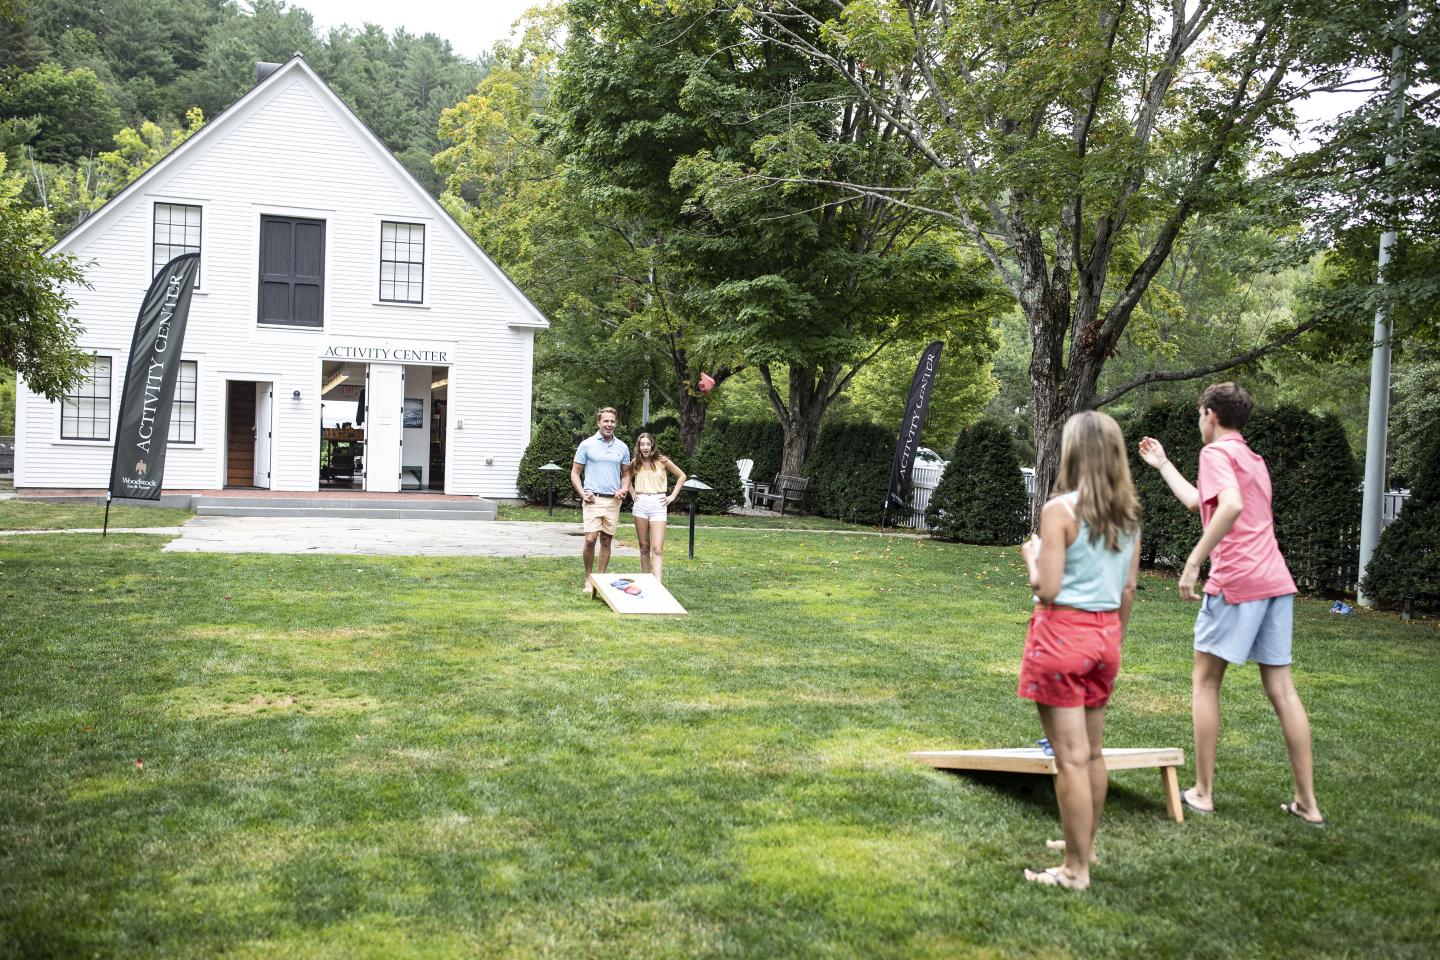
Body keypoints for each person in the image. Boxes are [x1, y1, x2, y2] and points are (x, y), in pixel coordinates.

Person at [1138, 382, 1325, 826]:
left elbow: (1231, 507)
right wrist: (1163, 465)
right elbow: (1200, 504)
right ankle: (1308, 804)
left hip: (1237, 580)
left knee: (1205, 683)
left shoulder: (1216, 454)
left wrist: (1192, 562)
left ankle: (1202, 793)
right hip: (1275, 580)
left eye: (1199, 413)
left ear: (1210, 414)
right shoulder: (1251, 459)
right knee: (1282, 690)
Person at [1019, 411, 1142, 891]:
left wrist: (1031, 555)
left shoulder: (1060, 511)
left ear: (1072, 452)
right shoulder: (1128, 513)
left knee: (1068, 757)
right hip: (1105, 635)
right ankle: (1082, 845)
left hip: (1062, 635)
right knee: (1091, 754)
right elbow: (1128, 588)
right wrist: (1114, 640)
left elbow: (1047, 588)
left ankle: (1075, 871)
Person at [571, 407, 631, 592]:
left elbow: (627, 474)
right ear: (598, 422)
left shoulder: (622, 447)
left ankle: (600, 580)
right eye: (606, 421)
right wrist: (582, 494)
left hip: (613, 502)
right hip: (592, 500)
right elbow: (575, 473)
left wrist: (624, 489)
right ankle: (588, 578)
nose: (609, 424)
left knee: (606, 541)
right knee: (590, 539)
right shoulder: (587, 444)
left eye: (612, 421)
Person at [629, 432, 687, 583]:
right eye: (642, 444)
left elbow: (682, 476)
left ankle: (657, 583)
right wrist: (632, 492)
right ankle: (647, 581)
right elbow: (625, 477)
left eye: (648, 444)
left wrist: (672, 496)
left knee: (658, 549)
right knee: (644, 546)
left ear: (652, 445)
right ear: (638, 446)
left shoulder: (662, 461)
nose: (645, 447)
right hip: (640, 505)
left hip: (658, 504)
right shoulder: (635, 462)